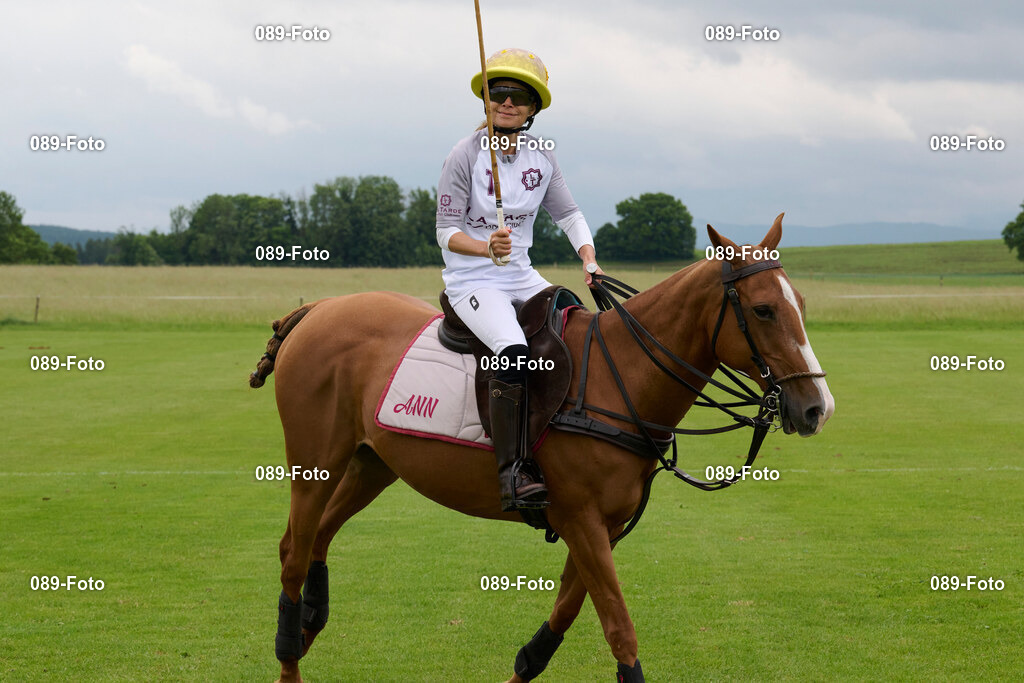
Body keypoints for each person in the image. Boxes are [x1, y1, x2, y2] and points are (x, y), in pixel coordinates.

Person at [435, 48, 603, 512]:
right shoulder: (463, 155)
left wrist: (589, 259)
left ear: (533, 109)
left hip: (522, 276)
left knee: (576, 322)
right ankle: (513, 470)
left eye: (520, 96)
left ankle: (572, 434)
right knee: (512, 349)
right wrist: (485, 248)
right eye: (499, 92)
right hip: (473, 280)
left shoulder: (542, 156)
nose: (507, 102)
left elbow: (568, 214)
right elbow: (445, 231)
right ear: (485, 99)